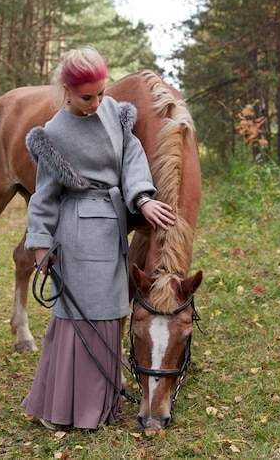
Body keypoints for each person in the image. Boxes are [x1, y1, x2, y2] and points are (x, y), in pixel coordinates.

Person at [21, 47, 176, 431]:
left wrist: (143, 198)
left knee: (110, 316)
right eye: (87, 96)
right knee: (79, 319)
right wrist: (41, 245)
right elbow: (43, 197)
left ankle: (100, 408)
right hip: (76, 232)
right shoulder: (55, 133)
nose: (96, 103)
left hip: (112, 229)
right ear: (67, 90)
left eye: (101, 93)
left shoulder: (111, 113)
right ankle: (62, 410)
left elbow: (132, 158)